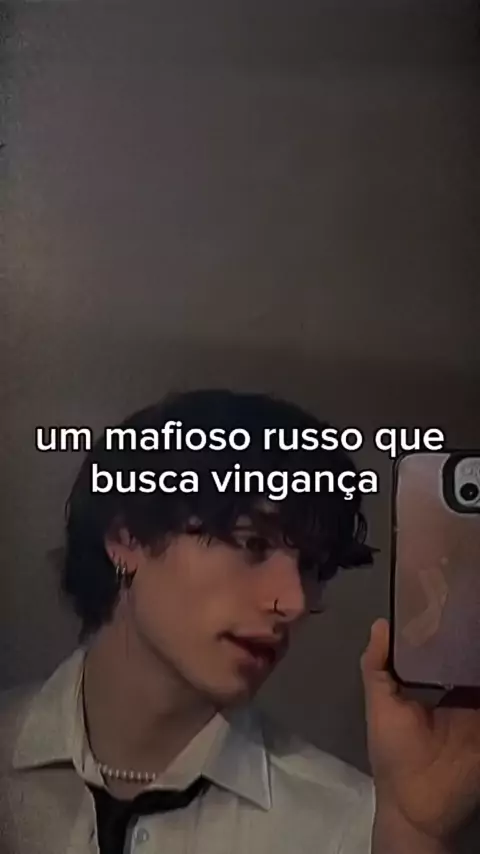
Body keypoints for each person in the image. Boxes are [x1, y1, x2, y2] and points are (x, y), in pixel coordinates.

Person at [1, 389, 480, 854]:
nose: (294, 601)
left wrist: (419, 838)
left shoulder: (356, 827)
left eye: (312, 567)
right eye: (253, 543)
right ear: (127, 538)